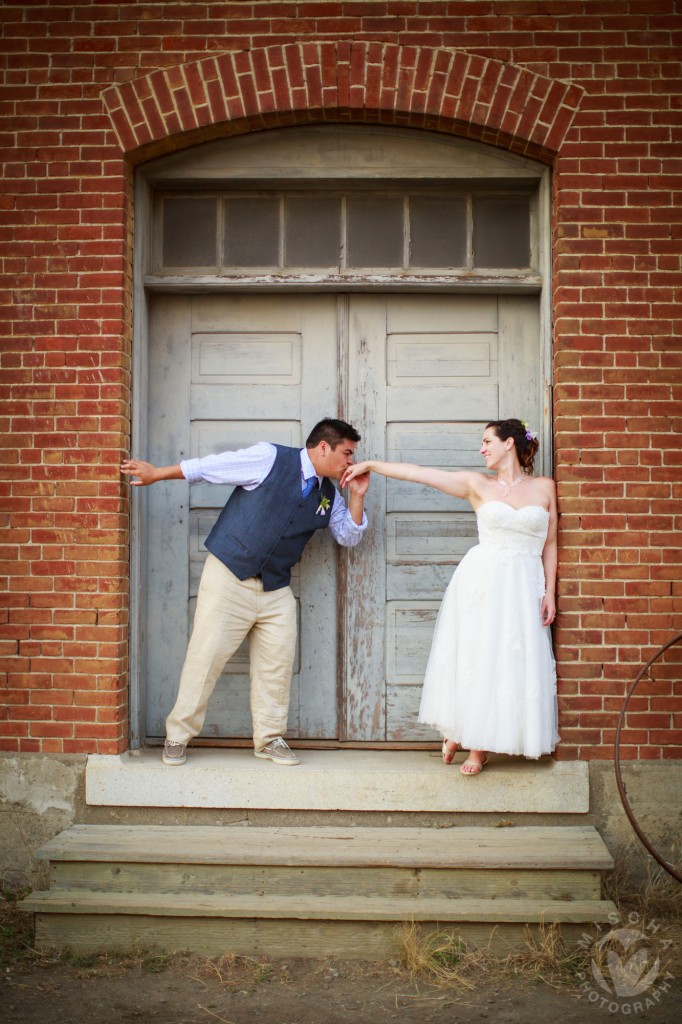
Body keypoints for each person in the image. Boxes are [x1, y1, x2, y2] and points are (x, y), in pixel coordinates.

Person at [121, 418, 369, 767]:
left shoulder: (328, 493)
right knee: (205, 658)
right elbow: (212, 468)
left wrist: (357, 495)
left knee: (277, 665)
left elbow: (348, 535)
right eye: (347, 453)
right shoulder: (269, 458)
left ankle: (268, 739)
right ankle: (177, 736)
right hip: (229, 576)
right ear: (323, 447)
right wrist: (157, 473)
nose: (351, 462)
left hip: (275, 587)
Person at [341, 418, 559, 775]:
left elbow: (550, 544)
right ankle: (476, 747)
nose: (482, 448)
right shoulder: (476, 484)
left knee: (512, 661)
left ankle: (468, 736)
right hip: (482, 582)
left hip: (524, 585)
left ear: (509, 444)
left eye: (488, 441)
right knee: (480, 657)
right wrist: (372, 465)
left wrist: (549, 591)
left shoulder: (545, 487)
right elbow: (418, 472)